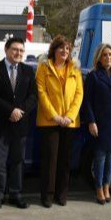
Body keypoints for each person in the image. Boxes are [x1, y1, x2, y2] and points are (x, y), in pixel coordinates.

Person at [0, 38, 37, 210]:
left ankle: (16, 195)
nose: (18, 53)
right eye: (15, 49)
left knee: (17, 162)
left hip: (20, 125)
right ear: (6, 50)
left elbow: (33, 96)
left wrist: (20, 111)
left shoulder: (28, 71)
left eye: (21, 50)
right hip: (0, 125)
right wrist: (10, 110)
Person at [36, 35, 83, 207]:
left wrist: (69, 116)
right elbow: (42, 94)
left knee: (65, 160)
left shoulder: (75, 70)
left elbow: (79, 95)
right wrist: (55, 116)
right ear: (54, 50)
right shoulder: (43, 68)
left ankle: (62, 194)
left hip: (69, 122)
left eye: (67, 49)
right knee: (50, 161)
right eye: (61, 48)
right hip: (50, 121)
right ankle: (47, 196)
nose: (64, 51)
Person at [81, 43, 111, 205]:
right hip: (101, 122)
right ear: (99, 58)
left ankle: (107, 186)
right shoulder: (94, 76)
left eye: (110, 55)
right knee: (100, 158)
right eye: (105, 55)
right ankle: (99, 188)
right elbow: (87, 102)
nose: (108, 57)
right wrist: (91, 122)